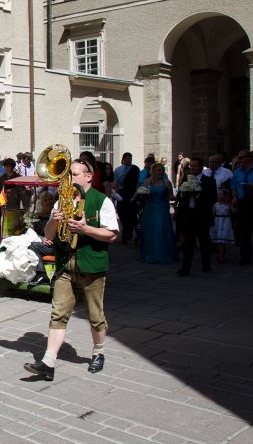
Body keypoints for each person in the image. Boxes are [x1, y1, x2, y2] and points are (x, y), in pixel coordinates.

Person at [24, 159, 118, 381]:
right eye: (68, 175)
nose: (69, 179)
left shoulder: (101, 201)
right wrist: (55, 222)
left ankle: (98, 352)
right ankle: (48, 361)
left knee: (95, 316)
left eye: (74, 174)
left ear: (88, 177)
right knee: (58, 313)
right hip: (66, 264)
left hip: (92, 266)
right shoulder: (61, 201)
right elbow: (48, 235)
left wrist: (86, 229)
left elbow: (112, 234)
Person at [175, 157, 217, 275]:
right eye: (191, 166)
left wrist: (198, 194)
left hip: (201, 215)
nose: (192, 168)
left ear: (201, 167)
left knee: (204, 241)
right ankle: (185, 267)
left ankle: (206, 264)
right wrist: (184, 194)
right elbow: (180, 196)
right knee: (188, 243)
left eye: (195, 166)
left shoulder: (208, 180)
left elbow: (212, 197)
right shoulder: (185, 180)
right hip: (189, 215)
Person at [138, 163, 178, 265]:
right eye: (158, 170)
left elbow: (171, 196)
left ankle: (163, 252)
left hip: (162, 209)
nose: (160, 172)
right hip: (150, 208)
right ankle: (150, 251)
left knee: (160, 229)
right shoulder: (148, 181)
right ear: (153, 171)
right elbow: (143, 195)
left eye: (162, 170)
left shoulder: (167, 182)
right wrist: (143, 194)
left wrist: (175, 198)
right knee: (150, 230)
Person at [113, 152, 140, 243]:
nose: (129, 160)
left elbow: (137, 183)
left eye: (130, 158)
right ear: (123, 159)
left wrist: (134, 196)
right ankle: (126, 232)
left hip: (131, 194)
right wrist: (116, 195)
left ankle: (128, 234)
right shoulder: (118, 170)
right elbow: (115, 183)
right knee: (122, 215)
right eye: (128, 158)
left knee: (132, 215)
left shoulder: (135, 169)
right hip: (121, 194)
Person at [210, 188, 235, 263]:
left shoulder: (228, 204)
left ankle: (221, 254)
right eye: (219, 194)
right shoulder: (216, 205)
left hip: (225, 222)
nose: (220, 196)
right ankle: (221, 251)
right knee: (220, 238)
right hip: (218, 222)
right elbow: (213, 214)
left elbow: (234, 211)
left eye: (221, 194)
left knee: (222, 237)